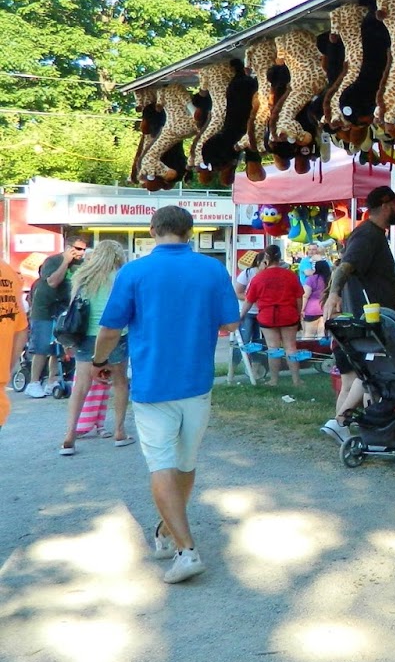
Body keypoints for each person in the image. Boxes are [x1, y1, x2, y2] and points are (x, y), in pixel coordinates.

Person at [87, 207, 238, 584]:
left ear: (153, 230)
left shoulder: (134, 271)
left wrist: (99, 359)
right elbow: (231, 322)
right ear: (190, 231)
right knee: (184, 464)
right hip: (198, 382)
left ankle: (186, 550)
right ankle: (167, 532)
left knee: (161, 465)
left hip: (154, 384)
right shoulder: (212, 270)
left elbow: (110, 326)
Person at [326, 188, 395, 430]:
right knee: (368, 375)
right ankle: (341, 422)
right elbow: (344, 268)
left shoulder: (374, 235)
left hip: (369, 316)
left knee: (355, 382)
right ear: (386, 204)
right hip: (367, 321)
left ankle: (348, 426)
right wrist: (334, 294)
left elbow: (368, 278)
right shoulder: (367, 235)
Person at [57, 241, 132, 454]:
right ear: (118, 256)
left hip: (86, 336)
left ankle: (70, 434)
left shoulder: (83, 276)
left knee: (80, 385)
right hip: (116, 333)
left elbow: (73, 308)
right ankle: (119, 431)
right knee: (119, 383)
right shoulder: (120, 277)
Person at [25, 233, 87, 397]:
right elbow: (53, 282)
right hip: (45, 309)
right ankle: (34, 382)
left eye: (83, 250)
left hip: (64, 310)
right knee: (42, 347)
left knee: (57, 349)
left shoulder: (80, 264)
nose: (81, 252)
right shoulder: (53, 261)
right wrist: (65, 262)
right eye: (78, 249)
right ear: (68, 248)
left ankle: (52, 381)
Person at [245, 245, 306, 387]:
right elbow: (299, 297)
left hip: (267, 316)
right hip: (288, 314)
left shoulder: (258, 277)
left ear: (266, 258)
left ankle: (274, 380)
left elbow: (249, 300)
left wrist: (241, 316)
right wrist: (298, 314)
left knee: (273, 348)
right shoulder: (290, 275)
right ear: (279, 258)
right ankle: (297, 380)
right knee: (291, 347)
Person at [232, 250, 263, 352]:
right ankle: (236, 364)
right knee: (244, 340)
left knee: (259, 342)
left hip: (262, 312)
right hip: (247, 312)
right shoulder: (247, 273)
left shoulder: (268, 274)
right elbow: (237, 293)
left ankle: (256, 365)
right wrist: (252, 299)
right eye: (265, 262)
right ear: (258, 262)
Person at [303, 259, 331, 338]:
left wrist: (301, 309)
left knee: (309, 335)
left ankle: (309, 350)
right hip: (325, 309)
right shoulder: (329, 280)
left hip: (311, 310)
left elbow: (305, 295)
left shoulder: (312, 279)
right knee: (321, 334)